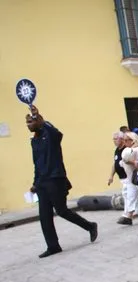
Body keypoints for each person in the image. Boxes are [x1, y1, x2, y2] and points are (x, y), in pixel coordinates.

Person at [26, 105, 98, 258]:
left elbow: (57, 133)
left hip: (55, 179)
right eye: (26, 124)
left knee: (62, 211)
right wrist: (35, 183)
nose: (28, 126)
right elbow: (37, 164)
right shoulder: (34, 141)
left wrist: (41, 119)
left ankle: (90, 226)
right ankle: (53, 246)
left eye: (30, 123)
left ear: (38, 122)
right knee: (44, 215)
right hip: (42, 182)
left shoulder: (50, 135)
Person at [107, 131, 136, 225]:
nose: (114, 141)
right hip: (123, 178)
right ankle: (137, 212)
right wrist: (111, 176)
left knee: (129, 195)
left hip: (129, 176)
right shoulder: (117, 150)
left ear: (121, 139)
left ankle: (127, 216)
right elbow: (114, 164)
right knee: (130, 195)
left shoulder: (127, 149)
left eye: (116, 139)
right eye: (113, 139)